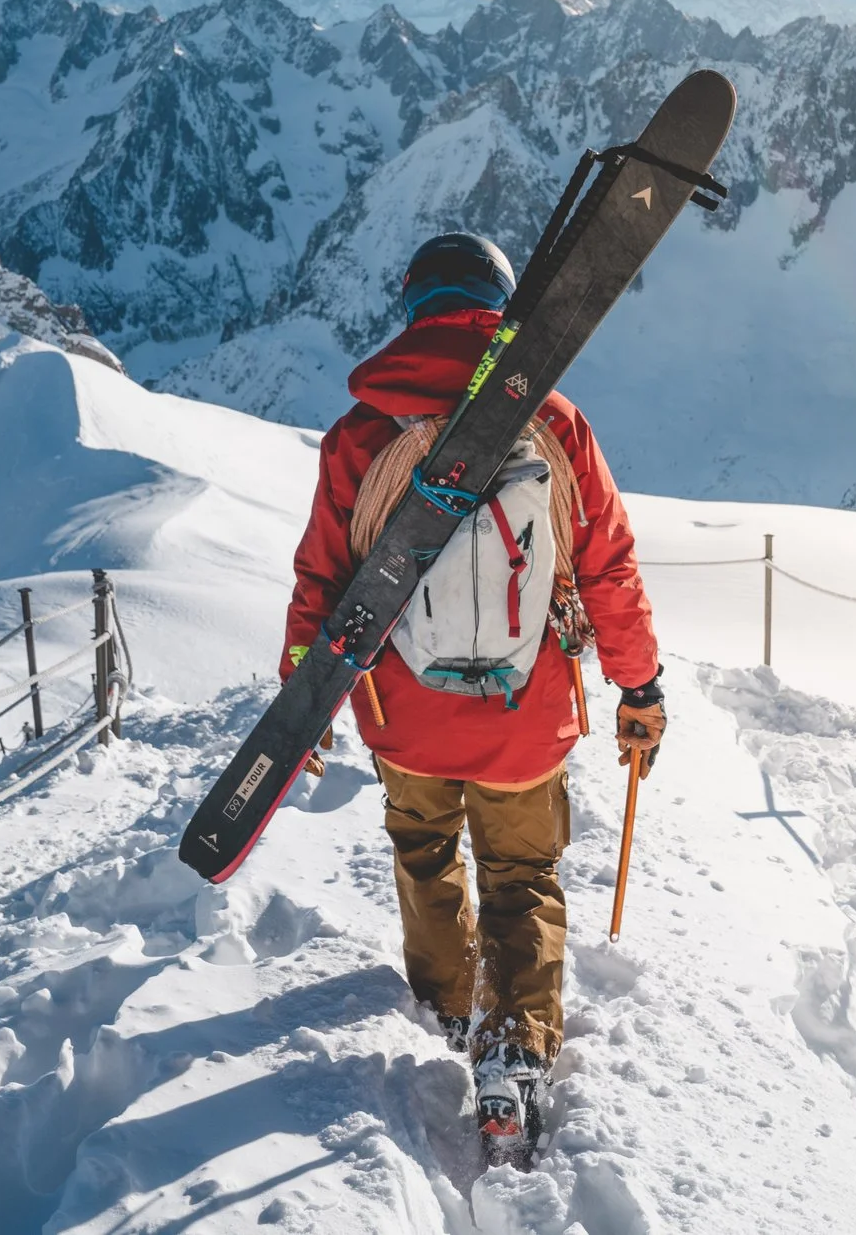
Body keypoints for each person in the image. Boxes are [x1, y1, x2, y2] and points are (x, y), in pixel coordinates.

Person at [279, 231, 666, 1149]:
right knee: (522, 875)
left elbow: (321, 586)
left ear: (413, 309)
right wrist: (638, 685)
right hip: (526, 720)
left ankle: (448, 1007)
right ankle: (515, 1052)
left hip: (403, 717)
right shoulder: (556, 421)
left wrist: (306, 707)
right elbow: (608, 567)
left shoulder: (361, 433)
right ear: (501, 307)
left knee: (425, 852)